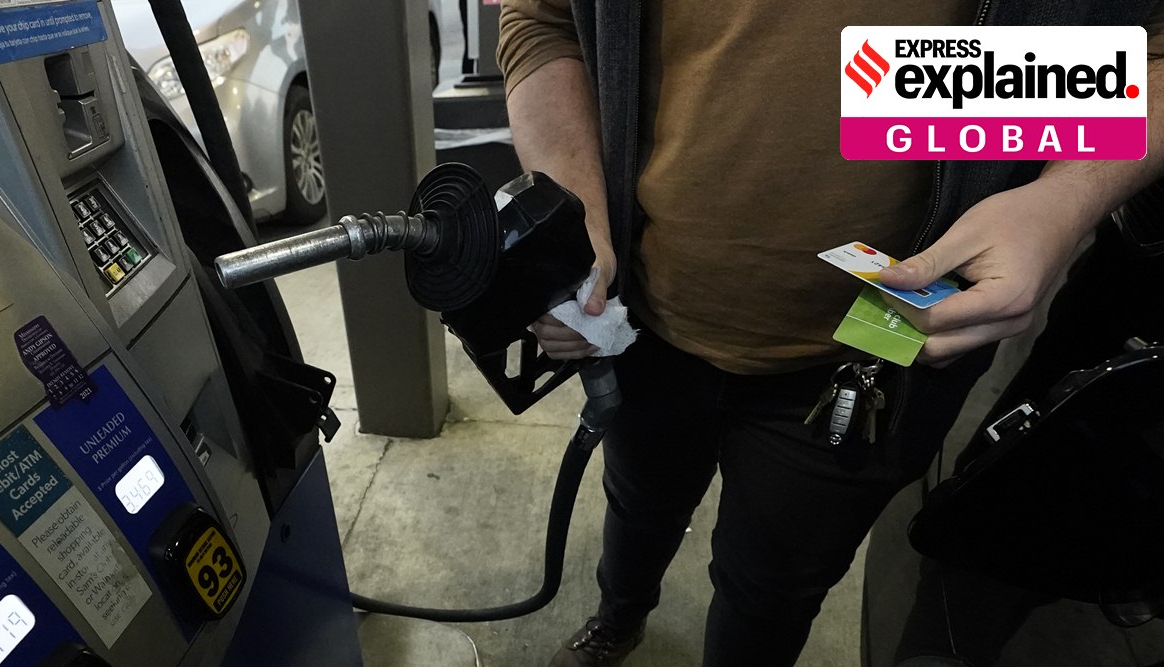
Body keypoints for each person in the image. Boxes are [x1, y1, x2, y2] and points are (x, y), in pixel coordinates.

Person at [496, 2, 1164, 665]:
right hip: (645, 320)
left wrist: (1067, 196)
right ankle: (620, 617)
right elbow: (545, 18)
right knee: (638, 504)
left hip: (876, 359)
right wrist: (572, 210)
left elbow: (1152, 46)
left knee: (769, 592)